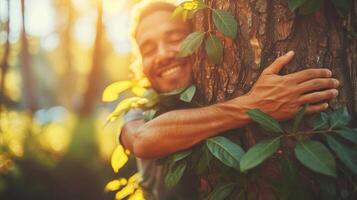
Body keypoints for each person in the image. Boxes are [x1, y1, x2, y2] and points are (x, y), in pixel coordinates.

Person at [120, 1, 340, 199]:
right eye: (148, 50)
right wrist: (256, 105)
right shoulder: (139, 111)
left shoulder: (209, 92)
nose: (162, 55)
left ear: (197, 39)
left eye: (176, 39)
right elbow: (142, 139)